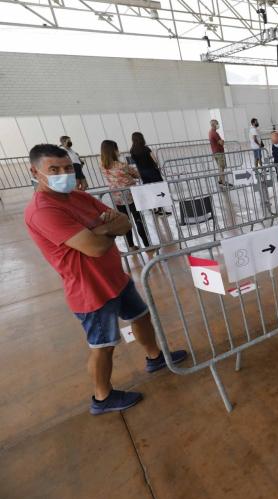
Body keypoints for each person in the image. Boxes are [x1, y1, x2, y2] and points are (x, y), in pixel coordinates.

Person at [24, 144, 187, 415]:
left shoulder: (79, 197)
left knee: (141, 316)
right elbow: (95, 247)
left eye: (67, 168)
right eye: (54, 170)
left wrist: (100, 230)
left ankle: (155, 357)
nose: (64, 174)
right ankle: (102, 397)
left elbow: (125, 222)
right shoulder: (43, 210)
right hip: (90, 289)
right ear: (35, 172)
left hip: (115, 277)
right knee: (104, 346)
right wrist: (102, 231)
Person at [99, 140, 151, 251]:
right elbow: (137, 174)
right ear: (113, 151)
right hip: (131, 196)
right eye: (117, 149)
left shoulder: (102, 165)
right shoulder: (122, 165)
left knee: (125, 222)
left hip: (117, 197)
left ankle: (131, 246)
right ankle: (147, 245)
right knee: (138, 219)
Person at [129, 132, 170, 216]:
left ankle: (154, 208)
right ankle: (160, 209)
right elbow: (155, 159)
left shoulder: (132, 150)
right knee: (158, 190)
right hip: (152, 171)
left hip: (142, 173)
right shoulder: (146, 149)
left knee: (149, 190)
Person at [209, 119, 231, 187]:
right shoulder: (214, 133)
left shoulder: (210, 132)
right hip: (219, 152)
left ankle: (220, 180)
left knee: (220, 167)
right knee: (221, 167)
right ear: (213, 125)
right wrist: (223, 141)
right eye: (217, 123)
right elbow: (221, 142)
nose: (218, 125)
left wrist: (221, 141)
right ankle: (223, 182)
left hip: (215, 152)